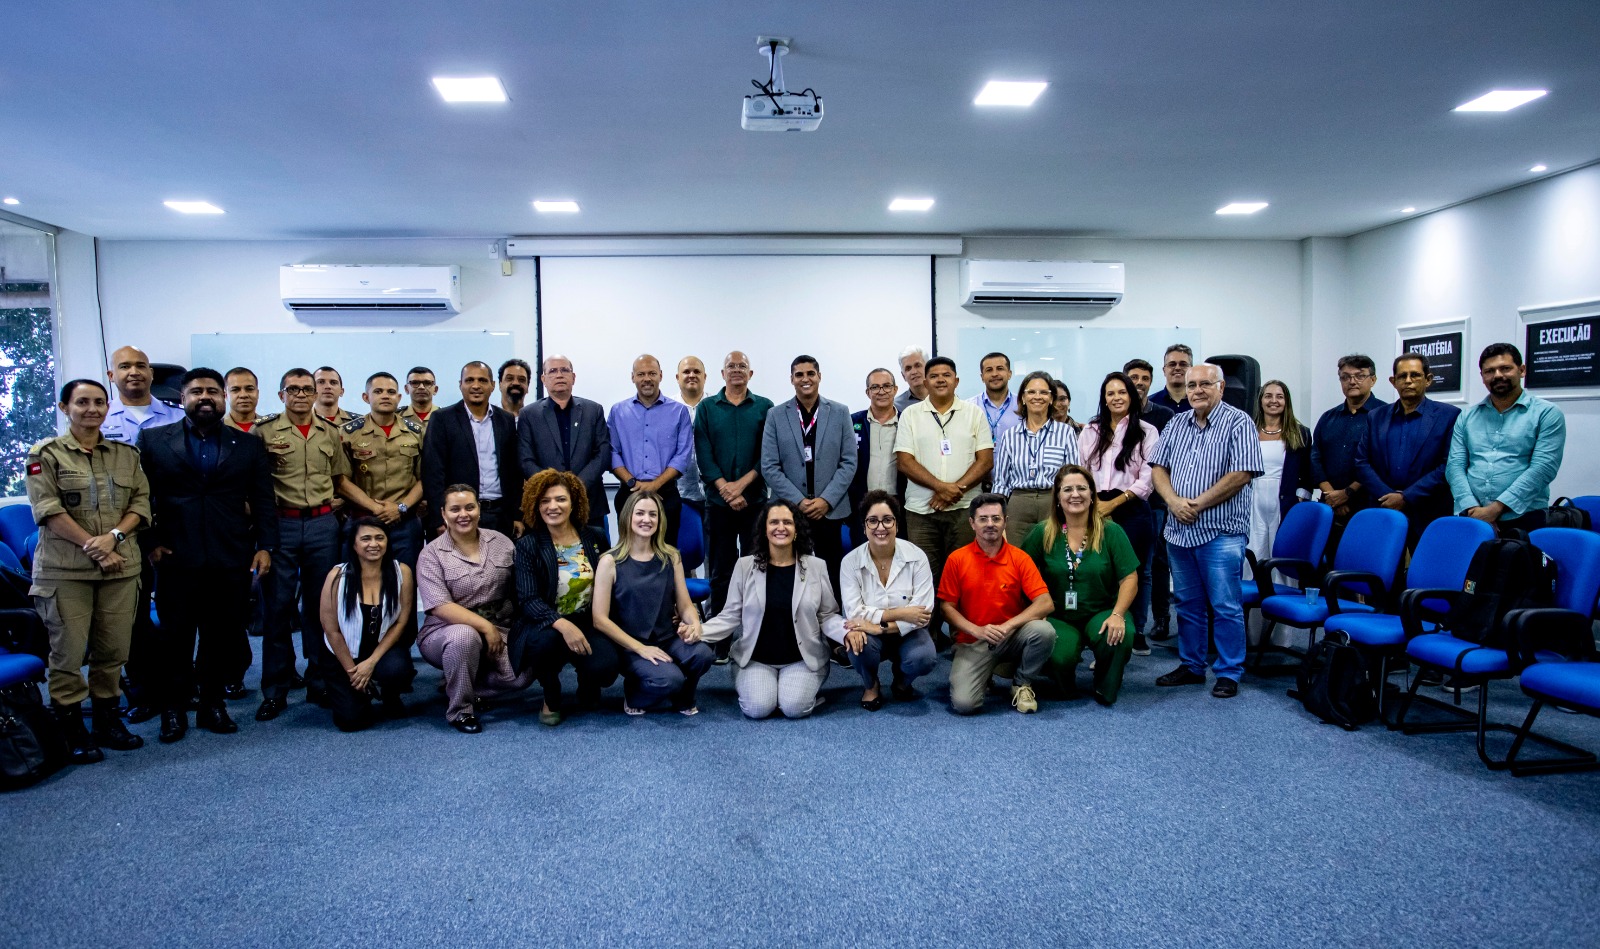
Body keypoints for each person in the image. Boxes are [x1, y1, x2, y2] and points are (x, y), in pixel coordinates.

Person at [137, 369, 277, 742]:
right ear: (182, 398)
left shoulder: (246, 444)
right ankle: (173, 709)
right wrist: (149, 542)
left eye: (212, 391)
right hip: (174, 556)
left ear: (223, 398)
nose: (205, 397)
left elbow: (263, 498)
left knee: (221, 635)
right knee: (176, 638)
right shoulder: (153, 440)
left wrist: (265, 546)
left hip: (229, 555)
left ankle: (212, 705)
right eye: (196, 391)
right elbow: (139, 497)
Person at [26, 379, 151, 762]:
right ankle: (71, 728)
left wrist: (113, 537)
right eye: (82, 402)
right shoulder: (45, 454)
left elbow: (142, 503)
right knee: (68, 653)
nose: (92, 409)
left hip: (120, 567)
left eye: (99, 402)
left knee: (112, 650)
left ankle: (107, 721)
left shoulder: (125, 455)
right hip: (65, 572)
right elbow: (47, 512)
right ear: (65, 407)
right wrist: (93, 546)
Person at [1151, 363, 1263, 699]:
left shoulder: (1239, 422)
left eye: (1205, 384)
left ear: (1221, 387)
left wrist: (1196, 504)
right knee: (1187, 603)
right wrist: (1172, 502)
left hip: (1220, 530)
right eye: (1191, 385)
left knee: (1225, 604)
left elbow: (1242, 473)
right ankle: (1192, 665)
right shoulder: (1177, 422)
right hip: (1179, 530)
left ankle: (1228, 671)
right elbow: (1158, 468)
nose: (1197, 390)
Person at [254, 368, 354, 721]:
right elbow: (253, 484)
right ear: (281, 395)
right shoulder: (263, 431)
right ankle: (275, 688)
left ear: (315, 395)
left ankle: (319, 682)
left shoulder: (330, 432)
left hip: (322, 525)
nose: (300, 395)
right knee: (278, 608)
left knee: (320, 607)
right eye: (292, 389)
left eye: (306, 389)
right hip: (281, 524)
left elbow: (340, 479)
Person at [700, 499, 847, 719]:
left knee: (794, 708)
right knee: (757, 709)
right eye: (774, 522)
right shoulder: (745, 566)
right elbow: (730, 616)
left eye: (787, 522)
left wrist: (847, 632)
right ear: (764, 529)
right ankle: (770, 690)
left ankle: (795, 694)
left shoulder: (816, 566)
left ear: (796, 529)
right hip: (756, 659)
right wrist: (698, 631)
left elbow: (827, 615)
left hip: (802, 659)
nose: (781, 528)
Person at [99, 344, 182, 721]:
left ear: (151, 373)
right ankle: (145, 691)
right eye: (124, 366)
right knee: (131, 616)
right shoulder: (98, 417)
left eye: (141, 365)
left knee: (176, 611)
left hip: (171, 531)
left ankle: (181, 684)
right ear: (111, 375)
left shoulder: (175, 417)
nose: (134, 371)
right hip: (122, 533)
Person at [415, 484, 532, 732]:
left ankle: (464, 682)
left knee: (522, 675)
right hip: (445, 631)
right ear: (444, 514)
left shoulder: (501, 542)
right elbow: (439, 606)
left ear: (479, 509)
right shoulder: (431, 554)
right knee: (464, 637)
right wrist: (484, 627)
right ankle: (461, 710)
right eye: (455, 509)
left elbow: (519, 587)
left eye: (469, 507)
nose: (463, 514)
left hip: (500, 626)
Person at [1021, 466, 1139, 705]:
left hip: (1102, 611)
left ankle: (1105, 686)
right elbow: (1022, 576)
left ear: (1092, 494)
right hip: (1057, 615)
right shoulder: (1041, 533)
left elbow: (1130, 578)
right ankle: (1064, 686)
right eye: (1068, 489)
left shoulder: (1111, 531)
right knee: (1058, 657)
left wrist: (1118, 614)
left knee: (1120, 634)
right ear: (1057, 498)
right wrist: (1034, 614)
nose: (1075, 494)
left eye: (1082, 488)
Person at [512, 469, 620, 726]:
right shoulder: (528, 545)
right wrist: (563, 625)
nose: (553, 506)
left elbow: (611, 585)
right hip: (546, 623)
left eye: (560, 499)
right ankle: (551, 696)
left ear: (574, 503)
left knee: (606, 667)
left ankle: (588, 683)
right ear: (535, 506)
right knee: (542, 646)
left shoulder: (595, 537)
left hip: (588, 619)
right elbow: (528, 600)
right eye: (545, 501)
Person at [592, 490, 714, 715]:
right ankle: (636, 694)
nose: (646, 520)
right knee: (669, 679)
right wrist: (641, 648)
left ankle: (683, 697)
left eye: (653, 515)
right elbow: (599, 619)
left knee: (704, 655)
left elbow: (685, 605)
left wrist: (696, 625)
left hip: (667, 636)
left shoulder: (671, 556)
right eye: (640, 513)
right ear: (627, 517)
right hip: (631, 643)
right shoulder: (610, 561)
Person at [938, 494, 1056, 715]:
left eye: (996, 518)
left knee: (1044, 631)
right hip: (973, 640)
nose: (990, 524)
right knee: (965, 705)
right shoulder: (957, 559)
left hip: (1011, 636)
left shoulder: (1020, 558)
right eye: (983, 519)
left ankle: (1022, 684)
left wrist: (1009, 626)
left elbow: (1045, 603)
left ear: (1005, 521)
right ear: (972, 523)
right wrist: (977, 630)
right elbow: (946, 608)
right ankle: (983, 675)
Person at [894, 356, 994, 600]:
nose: (940, 380)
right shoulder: (910, 415)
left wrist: (954, 490)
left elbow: (985, 460)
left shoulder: (974, 414)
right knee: (924, 579)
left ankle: (964, 636)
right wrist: (941, 487)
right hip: (921, 513)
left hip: (964, 511)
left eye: (946, 375)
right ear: (925, 382)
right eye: (934, 376)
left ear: (956, 381)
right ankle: (930, 636)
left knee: (964, 578)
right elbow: (904, 462)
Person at [760, 355, 857, 596]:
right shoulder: (775, 415)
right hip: (789, 511)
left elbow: (848, 461)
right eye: (799, 375)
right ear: (792, 379)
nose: (805, 379)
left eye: (810, 374)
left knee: (830, 571)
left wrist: (826, 500)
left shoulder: (839, 412)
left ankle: (832, 625)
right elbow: (770, 466)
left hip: (829, 509)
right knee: (788, 570)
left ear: (819, 377)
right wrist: (799, 502)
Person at [1446, 342, 1566, 534]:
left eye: (1505, 368)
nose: (1498, 375)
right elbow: (1455, 466)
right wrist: (1471, 507)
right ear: (1483, 377)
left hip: (1525, 518)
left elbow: (1543, 468)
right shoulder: (1467, 417)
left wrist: (1496, 509)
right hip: (1472, 516)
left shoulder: (1547, 413)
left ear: (1522, 370)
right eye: (1490, 371)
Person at [1078, 371, 1157, 654]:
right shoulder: (1091, 430)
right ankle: (1103, 629)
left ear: (1131, 396)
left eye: (1122, 392)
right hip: (1095, 506)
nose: (1116, 398)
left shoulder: (1147, 431)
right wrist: (1094, 505)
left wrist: (1114, 504)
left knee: (1137, 571)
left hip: (1132, 507)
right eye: (1110, 393)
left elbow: (1148, 477)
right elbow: (1082, 470)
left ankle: (1136, 630)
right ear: (1104, 398)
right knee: (1101, 570)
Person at [693, 351, 774, 615]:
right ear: (722, 373)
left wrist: (740, 486)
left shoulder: (765, 407)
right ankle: (720, 635)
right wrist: (726, 489)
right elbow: (703, 455)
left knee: (756, 568)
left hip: (755, 504)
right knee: (720, 571)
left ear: (750, 374)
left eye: (742, 366)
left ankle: (754, 630)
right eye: (731, 366)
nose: (736, 369)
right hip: (718, 504)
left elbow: (768, 454)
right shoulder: (706, 408)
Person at [838, 491, 935, 710]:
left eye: (887, 520)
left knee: (924, 658)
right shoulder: (850, 562)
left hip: (908, 632)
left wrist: (878, 626)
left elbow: (923, 613)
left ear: (897, 525)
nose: (880, 527)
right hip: (874, 634)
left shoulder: (917, 556)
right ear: (863, 527)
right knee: (857, 645)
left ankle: (902, 680)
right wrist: (901, 613)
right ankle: (870, 684)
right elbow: (855, 614)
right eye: (872, 521)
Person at [315, 518, 414, 731]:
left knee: (398, 668)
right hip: (342, 655)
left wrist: (371, 662)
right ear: (354, 545)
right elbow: (331, 630)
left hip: (379, 649)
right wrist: (354, 672)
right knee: (352, 721)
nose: (373, 544)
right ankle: (357, 691)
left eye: (380, 538)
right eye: (366, 539)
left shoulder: (402, 572)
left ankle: (389, 694)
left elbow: (401, 622)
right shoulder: (337, 576)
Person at [1355, 354, 1461, 550]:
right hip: (1383, 509)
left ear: (1428, 379)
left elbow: (1447, 466)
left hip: (1428, 512)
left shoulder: (1449, 416)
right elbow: (1362, 461)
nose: (1408, 381)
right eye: (1402, 376)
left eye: (1415, 375)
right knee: (1380, 576)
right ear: (1393, 382)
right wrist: (1388, 496)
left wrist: (1406, 497)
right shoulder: (1376, 416)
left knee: (1427, 577)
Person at [421, 360, 524, 537]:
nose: (476, 386)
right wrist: (439, 519)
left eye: (482, 381)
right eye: (469, 380)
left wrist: (516, 515)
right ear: (460, 385)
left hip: (499, 514)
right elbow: (433, 472)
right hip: (458, 515)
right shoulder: (442, 419)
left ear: (492, 386)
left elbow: (513, 473)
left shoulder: (505, 420)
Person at [339, 372, 427, 570]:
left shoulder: (417, 431)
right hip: (362, 521)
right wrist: (374, 507)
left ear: (399, 397)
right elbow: (341, 481)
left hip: (404, 522)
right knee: (357, 584)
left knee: (406, 582)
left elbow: (425, 478)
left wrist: (400, 507)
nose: (385, 396)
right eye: (378, 391)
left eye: (390, 392)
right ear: (366, 397)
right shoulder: (348, 432)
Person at [517, 354, 612, 531]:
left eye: (564, 370)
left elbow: (603, 453)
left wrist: (576, 487)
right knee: (552, 558)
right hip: (547, 505)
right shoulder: (529, 415)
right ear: (543, 379)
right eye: (552, 371)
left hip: (589, 504)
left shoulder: (594, 410)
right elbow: (525, 460)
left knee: (591, 558)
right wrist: (554, 488)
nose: (559, 375)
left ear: (573, 377)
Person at [608, 354, 693, 538]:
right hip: (628, 492)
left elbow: (682, 456)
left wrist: (655, 484)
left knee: (666, 553)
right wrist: (632, 482)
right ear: (633, 377)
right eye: (641, 374)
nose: (647, 379)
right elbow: (612, 452)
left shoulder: (679, 412)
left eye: (652, 373)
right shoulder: (618, 412)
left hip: (666, 495)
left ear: (661, 376)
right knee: (628, 553)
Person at [993, 370, 1081, 545]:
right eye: (1031, 392)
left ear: (1051, 399)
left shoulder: (1065, 432)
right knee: (1019, 559)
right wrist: (997, 516)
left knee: (1053, 559)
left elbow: (1073, 477)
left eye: (1043, 392)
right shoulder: (1010, 435)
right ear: (1023, 399)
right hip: (1018, 503)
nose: (1037, 397)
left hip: (1053, 502)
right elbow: (1001, 482)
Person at [1123, 357, 1176, 644]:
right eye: (1134, 377)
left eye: (1144, 378)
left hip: (1152, 503)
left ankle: (1146, 626)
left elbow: (1162, 463)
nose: (1139, 383)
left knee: (1151, 564)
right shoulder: (1111, 418)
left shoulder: (1163, 416)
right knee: (1119, 567)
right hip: (1115, 505)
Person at [1310, 354, 1386, 536]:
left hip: (1367, 505)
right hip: (1329, 506)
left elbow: (1379, 460)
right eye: (1345, 377)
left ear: (1373, 380)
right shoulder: (1328, 417)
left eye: (1360, 376)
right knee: (1326, 562)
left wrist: (1347, 494)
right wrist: (1331, 495)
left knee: (1365, 562)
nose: (1352, 381)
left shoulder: (1385, 416)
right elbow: (1315, 457)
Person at [1247, 380, 1313, 572]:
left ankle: (1282, 597)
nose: (1273, 401)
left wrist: (1299, 499)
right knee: (1254, 549)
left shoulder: (1301, 433)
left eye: (1279, 396)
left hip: (1285, 499)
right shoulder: (1248, 431)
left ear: (1287, 401)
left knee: (1281, 550)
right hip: (1254, 498)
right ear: (1260, 401)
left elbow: (1308, 472)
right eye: (1268, 396)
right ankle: (1255, 596)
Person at [847, 368, 905, 548]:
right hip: (862, 503)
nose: (881, 391)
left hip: (899, 503)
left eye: (887, 386)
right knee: (861, 555)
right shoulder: (852, 422)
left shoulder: (907, 421)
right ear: (867, 392)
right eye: (875, 387)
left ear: (895, 389)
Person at [674, 355, 708, 522]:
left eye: (697, 371)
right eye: (686, 371)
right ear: (677, 377)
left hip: (715, 496)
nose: (691, 375)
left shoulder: (716, 406)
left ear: (705, 377)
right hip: (679, 494)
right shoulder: (668, 409)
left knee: (714, 547)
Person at [970, 352, 1021, 443]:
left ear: (1009, 374)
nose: (994, 374)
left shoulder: (1022, 405)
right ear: (982, 377)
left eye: (1000, 369)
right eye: (989, 370)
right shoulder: (970, 406)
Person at [1147, 344, 1194, 414]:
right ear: (1164, 370)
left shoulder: (1199, 402)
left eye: (1183, 364)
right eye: (1172, 364)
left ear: (1191, 370)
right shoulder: (1149, 404)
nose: (1177, 368)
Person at [223, 367, 262, 433]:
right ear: (225, 395)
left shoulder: (271, 427)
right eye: (235, 390)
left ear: (257, 393)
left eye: (249, 389)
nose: (243, 395)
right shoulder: (215, 429)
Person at [400, 366, 438, 433]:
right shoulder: (396, 417)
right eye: (415, 383)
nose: (421, 387)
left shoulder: (447, 417)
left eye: (427, 383)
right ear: (406, 389)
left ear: (435, 390)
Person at [894, 345, 928, 413]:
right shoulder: (895, 406)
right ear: (903, 376)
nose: (914, 372)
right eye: (908, 368)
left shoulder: (944, 398)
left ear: (928, 368)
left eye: (918, 365)